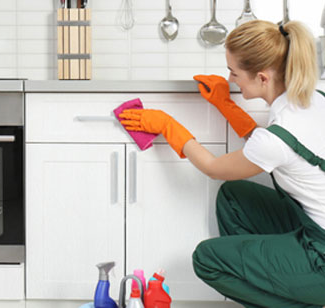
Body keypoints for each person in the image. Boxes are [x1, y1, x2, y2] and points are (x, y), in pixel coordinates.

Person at [118, 20, 325, 308]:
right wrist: (225, 105)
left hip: (322, 256)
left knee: (207, 259)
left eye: (235, 72)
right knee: (234, 197)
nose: (230, 80)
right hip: (314, 226)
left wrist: (168, 125)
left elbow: (215, 167)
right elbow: (273, 147)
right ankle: (281, 281)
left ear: (263, 78)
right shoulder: (312, 99)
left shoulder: (276, 137)